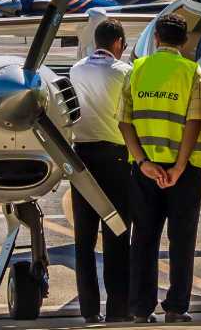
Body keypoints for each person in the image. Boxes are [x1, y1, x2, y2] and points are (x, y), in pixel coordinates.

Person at [118, 14, 201, 324]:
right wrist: (179, 165)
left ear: (156, 39)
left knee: (144, 238)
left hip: (145, 169)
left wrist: (144, 162)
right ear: (185, 42)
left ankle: (141, 308)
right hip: (183, 172)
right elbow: (195, 121)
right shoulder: (193, 72)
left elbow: (125, 122)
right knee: (182, 239)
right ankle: (175, 307)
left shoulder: (136, 70)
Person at [68, 19, 133, 324]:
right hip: (116, 157)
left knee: (84, 236)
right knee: (117, 233)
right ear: (118, 43)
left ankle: (89, 309)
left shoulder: (76, 70)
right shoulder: (125, 72)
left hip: (82, 157)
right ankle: (118, 308)